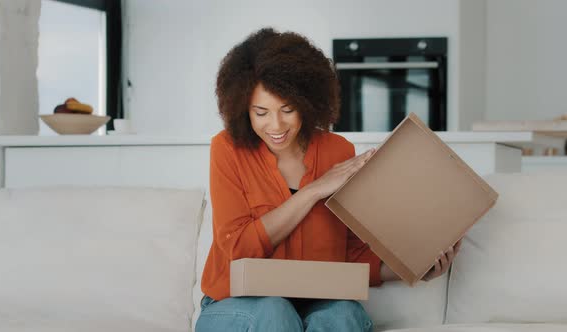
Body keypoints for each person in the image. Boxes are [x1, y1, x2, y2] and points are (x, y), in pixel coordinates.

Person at [196, 27, 462, 332]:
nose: (276, 125)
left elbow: (349, 253)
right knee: (275, 311)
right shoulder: (228, 149)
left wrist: (415, 268)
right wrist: (313, 192)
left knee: (342, 314)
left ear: (307, 103)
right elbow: (239, 248)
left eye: (288, 109)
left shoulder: (338, 151)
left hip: (313, 302)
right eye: (261, 113)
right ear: (243, 109)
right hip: (236, 304)